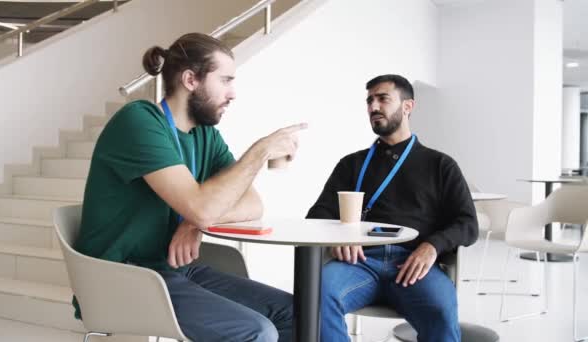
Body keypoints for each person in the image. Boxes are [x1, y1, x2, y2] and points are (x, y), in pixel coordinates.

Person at [75, 32, 305, 342]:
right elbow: (204, 208)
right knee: (257, 332)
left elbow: (252, 204)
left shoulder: (204, 136)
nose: (233, 93)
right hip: (123, 277)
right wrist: (261, 151)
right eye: (225, 80)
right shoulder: (139, 122)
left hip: (174, 269)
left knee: (294, 312)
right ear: (190, 80)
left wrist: (192, 222)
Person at [306, 74, 478, 342]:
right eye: (369, 101)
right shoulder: (351, 164)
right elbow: (317, 215)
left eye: (383, 99)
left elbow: (467, 223)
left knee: (442, 312)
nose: (373, 107)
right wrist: (337, 237)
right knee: (314, 294)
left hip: (413, 264)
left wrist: (431, 246)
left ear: (408, 106)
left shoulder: (440, 165)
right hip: (358, 263)